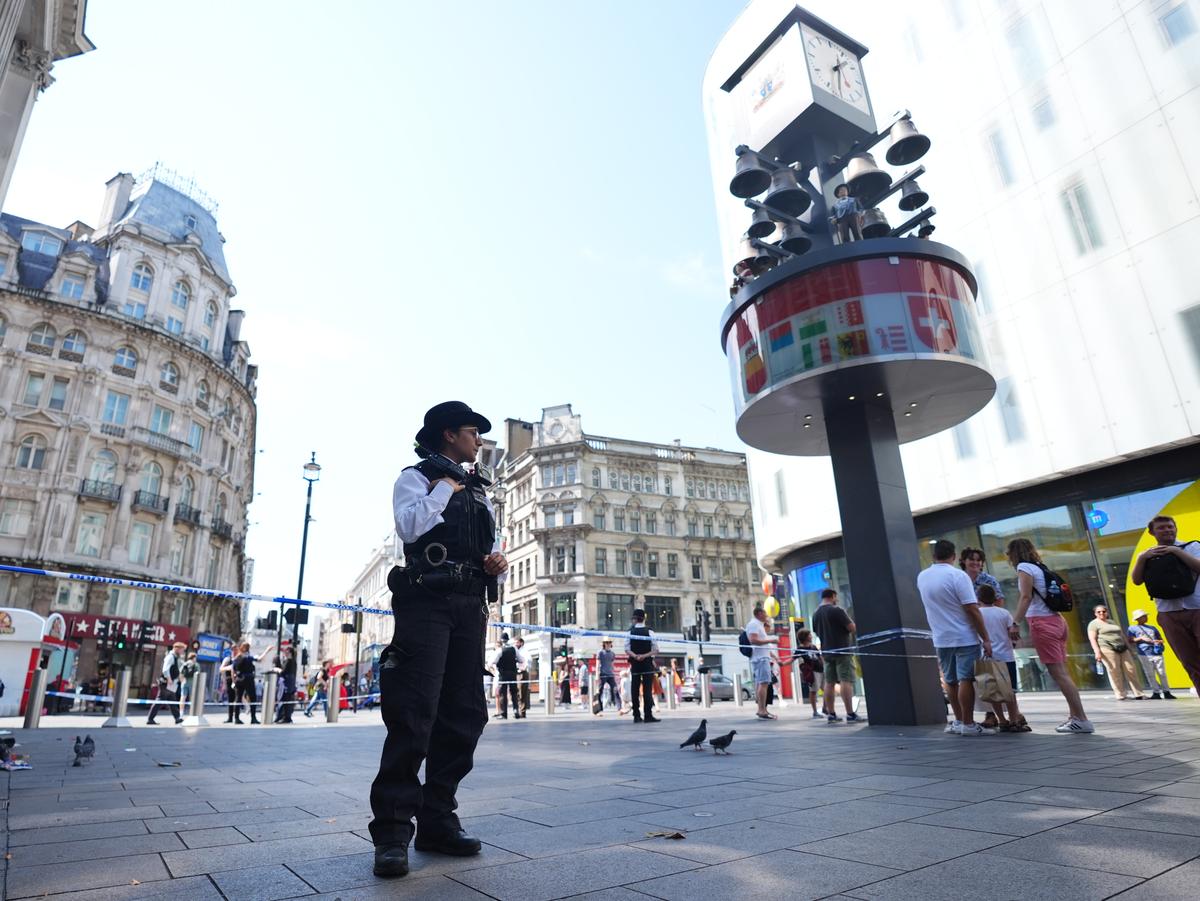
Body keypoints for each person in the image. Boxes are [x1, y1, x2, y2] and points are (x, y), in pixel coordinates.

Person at [369, 401, 507, 879]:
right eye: (473, 433)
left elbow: (486, 545)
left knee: (465, 712)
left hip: (471, 606)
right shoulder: (418, 477)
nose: (479, 442)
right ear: (449, 435)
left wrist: (495, 562)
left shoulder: (479, 491)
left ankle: (437, 819)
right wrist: (445, 487)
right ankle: (391, 833)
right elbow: (410, 527)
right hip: (427, 603)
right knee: (413, 713)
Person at [1008, 537, 1094, 733]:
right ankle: (1075, 717)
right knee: (1064, 673)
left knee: (1060, 675)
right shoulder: (1040, 567)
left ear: (1013, 553)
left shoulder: (1024, 568)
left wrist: (1015, 623)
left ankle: (1082, 719)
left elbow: (1026, 596)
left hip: (1042, 623)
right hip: (1057, 621)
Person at [917, 540, 994, 736]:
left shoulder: (922, 577)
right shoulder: (958, 576)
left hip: (941, 637)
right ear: (953, 556)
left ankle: (959, 721)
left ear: (934, 556)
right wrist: (985, 637)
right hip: (964, 636)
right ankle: (968, 724)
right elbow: (972, 609)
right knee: (966, 679)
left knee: (950, 681)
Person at [1131, 515, 1200, 694]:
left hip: (1196, 608)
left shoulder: (1191, 546)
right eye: (1161, 528)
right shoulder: (1147, 555)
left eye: (1170, 526)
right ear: (1152, 532)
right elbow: (1136, 580)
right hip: (1168, 613)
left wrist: (1176, 551)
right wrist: (1142, 558)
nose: (1167, 530)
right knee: (1189, 661)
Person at [976, 584, 1029, 731]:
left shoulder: (977, 614)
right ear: (995, 598)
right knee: (1010, 692)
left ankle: (1002, 720)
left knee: (992, 692)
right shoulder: (1004, 613)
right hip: (1006, 657)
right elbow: (1012, 634)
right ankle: (1013, 720)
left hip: (986, 657)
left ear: (978, 598)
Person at [811, 589, 860, 724]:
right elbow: (852, 628)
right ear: (832, 596)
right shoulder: (837, 610)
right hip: (842, 650)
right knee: (846, 680)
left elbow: (816, 631)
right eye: (835, 597)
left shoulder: (815, 613)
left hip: (827, 652)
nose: (836, 600)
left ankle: (831, 714)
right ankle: (850, 713)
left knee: (829, 683)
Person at [1087, 605, 1146, 701]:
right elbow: (1092, 639)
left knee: (1131, 669)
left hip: (1122, 647)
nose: (1102, 613)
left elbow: (1122, 635)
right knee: (1114, 671)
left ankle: (1139, 693)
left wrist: (1129, 648)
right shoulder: (1093, 624)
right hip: (1107, 648)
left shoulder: (1112, 622)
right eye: (1099, 612)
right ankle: (1121, 694)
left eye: (1104, 611)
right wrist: (1097, 652)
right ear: (1095, 614)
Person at [1128, 608, 1174, 700]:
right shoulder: (1132, 628)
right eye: (1143, 616)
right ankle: (1156, 692)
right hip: (1144, 653)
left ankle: (1166, 692)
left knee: (1162, 673)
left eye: (1145, 616)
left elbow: (1162, 639)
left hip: (1156, 652)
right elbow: (1130, 640)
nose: (1145, 618)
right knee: (1150, 674)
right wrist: (1141, 638)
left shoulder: (1153, 628)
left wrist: (1158, 641)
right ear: (1138, 618)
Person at [625, 608, 660, 723]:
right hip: (647, 663)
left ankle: (636, 715)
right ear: (644, 618)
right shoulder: (650, 632)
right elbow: (656, 649)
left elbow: (627, 649)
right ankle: (648, 715)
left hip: (635, 663)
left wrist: (636, 656)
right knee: (647, 690)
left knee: (634, 689)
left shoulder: (629, 632)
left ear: (635, 619)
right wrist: (645, 655)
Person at [745, 604, 779, 720]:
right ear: (759, 614)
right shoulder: (754, 624)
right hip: (761, 658)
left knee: (762, 683)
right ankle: (762, 710)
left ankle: (762, 709)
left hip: (762, 657)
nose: (767, 616)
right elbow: (753, 640)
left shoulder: (757, 624)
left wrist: (773, 656)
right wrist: (772, 639)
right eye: (765, 613)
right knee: (763, 683)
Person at [147, 641, 187, 725]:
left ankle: (177, 718)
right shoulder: (170, 657)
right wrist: (169, 678)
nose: (183, 652)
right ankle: (150, 719)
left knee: (172, 700)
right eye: (182, 650)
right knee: (160, 700)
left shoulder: (176, 657)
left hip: (170, 683)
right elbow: (165, 669)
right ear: (177, 649)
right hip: (166, 682)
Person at [232, 641, 273, 724]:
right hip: (248, 679)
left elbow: (233, 670)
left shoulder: (236, 658)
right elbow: (259, 659)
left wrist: (234, 681)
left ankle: (236, 718)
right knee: (252, 698)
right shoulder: (247, 657)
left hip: (239, 679)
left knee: (238, 698)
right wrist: (267, 650)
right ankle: (253, 718)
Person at [489, 633, 525, 719]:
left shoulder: (500, 650)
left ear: (501, 640)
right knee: (514, 693)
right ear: (508, 640)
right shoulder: (514, 649)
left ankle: (504, 713)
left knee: (503, 694)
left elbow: (491, 662)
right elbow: (521, 660)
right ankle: (516, 711)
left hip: (503, 674)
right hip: (513, 674)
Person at [795, 629, 825, 719]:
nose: (811, 636)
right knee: (813, 691)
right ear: (805, 637)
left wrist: (824, 666)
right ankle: (815, 712)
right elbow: (792, 658)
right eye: (809, 635)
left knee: (826, 690)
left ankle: (825, 708)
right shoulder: (800, 649)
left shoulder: (813, 647)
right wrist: (783, 663)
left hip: (821, 670)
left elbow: (820, 657)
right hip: (812, 672)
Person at [275, 645, 298, 723]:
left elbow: (283, 672)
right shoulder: (293, 661)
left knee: (285, 700)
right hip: (291, 683)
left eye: (286, 651)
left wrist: (277, 669)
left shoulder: (288, 661)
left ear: (289, 652)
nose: (284, 652)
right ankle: (285, 717)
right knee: (287, 700)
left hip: (286, 683)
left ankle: (285, 717)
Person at [597, 638, 620, 711]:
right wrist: (597, 676)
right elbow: (598, 664)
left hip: (610, 674)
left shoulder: (612, 653)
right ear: (604, 644)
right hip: (603, 673)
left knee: (615, 689)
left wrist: (614, 673)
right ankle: (599, 707)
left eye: (609, 642)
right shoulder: (600, 652)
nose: (608, 644)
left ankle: (619, 706)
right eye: (606, 642)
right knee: (600, 691)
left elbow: (612, 664)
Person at [514, 637, 531, 714]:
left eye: (517, 642)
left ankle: (522, 711)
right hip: (516, 673)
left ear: (521, 643)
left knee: (522, 693)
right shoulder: (515, 650)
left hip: (522, 673)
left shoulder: (525, 651)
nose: (515, 644)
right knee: (517, 693)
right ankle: (519, 710)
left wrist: (524, 667)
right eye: (515, 642)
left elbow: (528, 661)